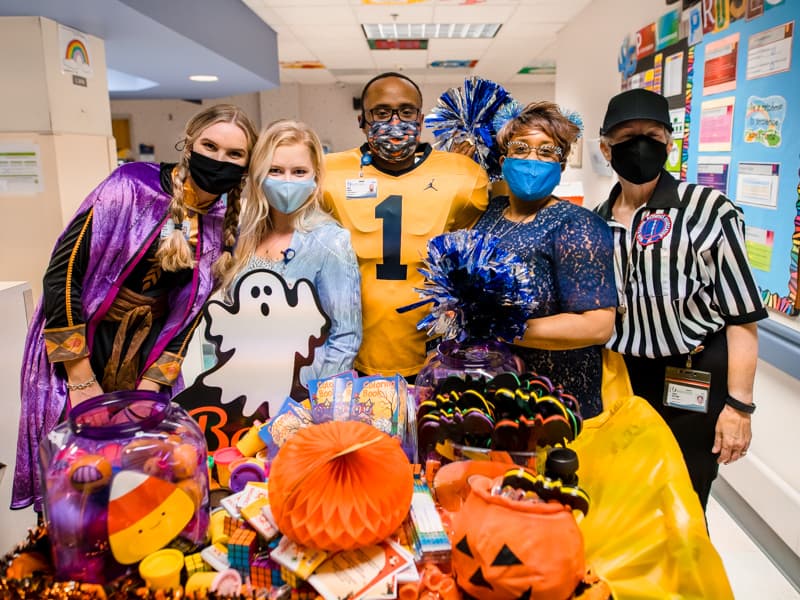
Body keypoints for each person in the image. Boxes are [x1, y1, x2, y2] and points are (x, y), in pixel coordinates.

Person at [13, 103, 258, 510]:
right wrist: (80, 378)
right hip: (80, 345)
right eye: (209, 146)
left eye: (234, 155)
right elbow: (63, 273)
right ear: (188, 144)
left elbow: (189, 314)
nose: (219, 160)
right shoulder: (129, 187)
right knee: (77, 477)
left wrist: (152, 385)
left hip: (144, 358)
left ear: (246, 165)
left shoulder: (220, 218)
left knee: (137, 477)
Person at [594, 88, 768, 509]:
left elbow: (741, 317)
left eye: (652, 135)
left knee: (683, 502)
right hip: (621, 380)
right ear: (605, 148)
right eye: (626, 136)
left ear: (669, 144)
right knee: (625, 499)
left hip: (692, 376)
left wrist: (739, 408)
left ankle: (688, 576)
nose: (640, 146)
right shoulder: (595, 222)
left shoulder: (708, 210)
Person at [322, 72, 489, 379]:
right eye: (381, 112)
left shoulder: (462, 175)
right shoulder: (329, 173)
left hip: (434, 352)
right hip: (347, 351)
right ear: (362, 120)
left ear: (421, 119)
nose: (395, 121)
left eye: (406, 111)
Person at [473, 101, 616, 418]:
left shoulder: (577, 225)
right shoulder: (492, 214)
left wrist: (505, 328)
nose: (531, 160)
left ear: (561, 165)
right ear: (503, 160)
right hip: (494, 393)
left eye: (546, 151)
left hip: (553, 402)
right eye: (521, 149)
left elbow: (597, 325)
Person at [218, 119, 362, 385]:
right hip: (244, 387)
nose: (287, 181)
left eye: (298, 172)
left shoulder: (329, 241)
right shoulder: (242, 236)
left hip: (303, 392)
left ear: (315, 176)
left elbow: (345, 337)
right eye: (275, 170)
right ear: (258, 174)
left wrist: (320, 401)